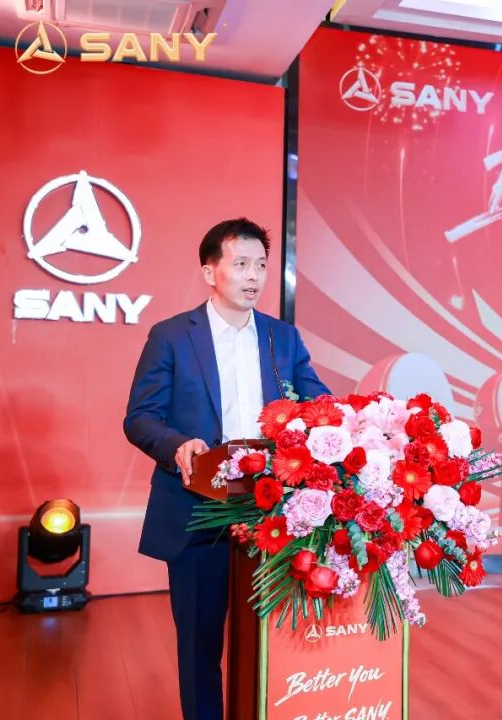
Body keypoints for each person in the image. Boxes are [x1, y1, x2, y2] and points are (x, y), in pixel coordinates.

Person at [123, 218, 329, 720]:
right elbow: (140, 417)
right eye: (240, 264)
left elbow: (318, 403)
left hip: (274, 508)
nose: (253, 276)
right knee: (200, 642)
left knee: (274, 636)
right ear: (209, 272)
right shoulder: (172, 336)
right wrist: (176, 445)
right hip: (199, 504)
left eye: (261, 265)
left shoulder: (283, 337)